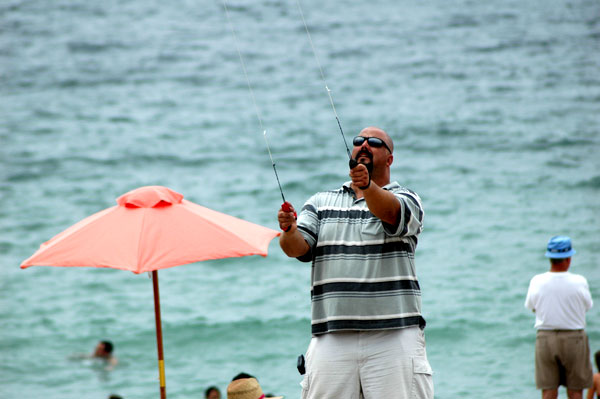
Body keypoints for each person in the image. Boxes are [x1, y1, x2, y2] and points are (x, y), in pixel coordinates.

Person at [278, 126, 433, 399]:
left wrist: (367, 187)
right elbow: (297, 249)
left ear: (389, 159)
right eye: (358, 141)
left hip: (393, 336)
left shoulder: (406, 198)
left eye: (374, 142)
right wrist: (289, 230)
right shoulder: (320, 202)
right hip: (331, 336)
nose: (364, 144)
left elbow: (389, 212)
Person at [525, 236, 594, 399]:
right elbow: (587, 306)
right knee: (575, 391)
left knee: (548, 391)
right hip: (574, 338)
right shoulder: (579, 281)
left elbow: (531, 307)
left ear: (550, 258)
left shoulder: (537, 281)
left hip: (545, 339)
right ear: (568, 259)